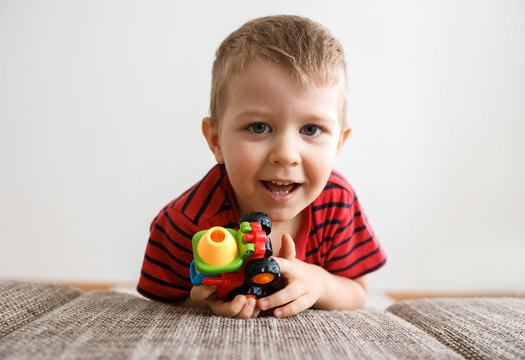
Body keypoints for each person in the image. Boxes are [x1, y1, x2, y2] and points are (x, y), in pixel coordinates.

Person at [137, 15, 386, 319]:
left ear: (338, 145)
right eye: (258, 127)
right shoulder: (185, 223)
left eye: (311, 130)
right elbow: (158, 304)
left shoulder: (337, 201)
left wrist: (320, 283)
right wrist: (204, 302)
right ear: (216, 140)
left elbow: (357, 291)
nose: (286, 155)